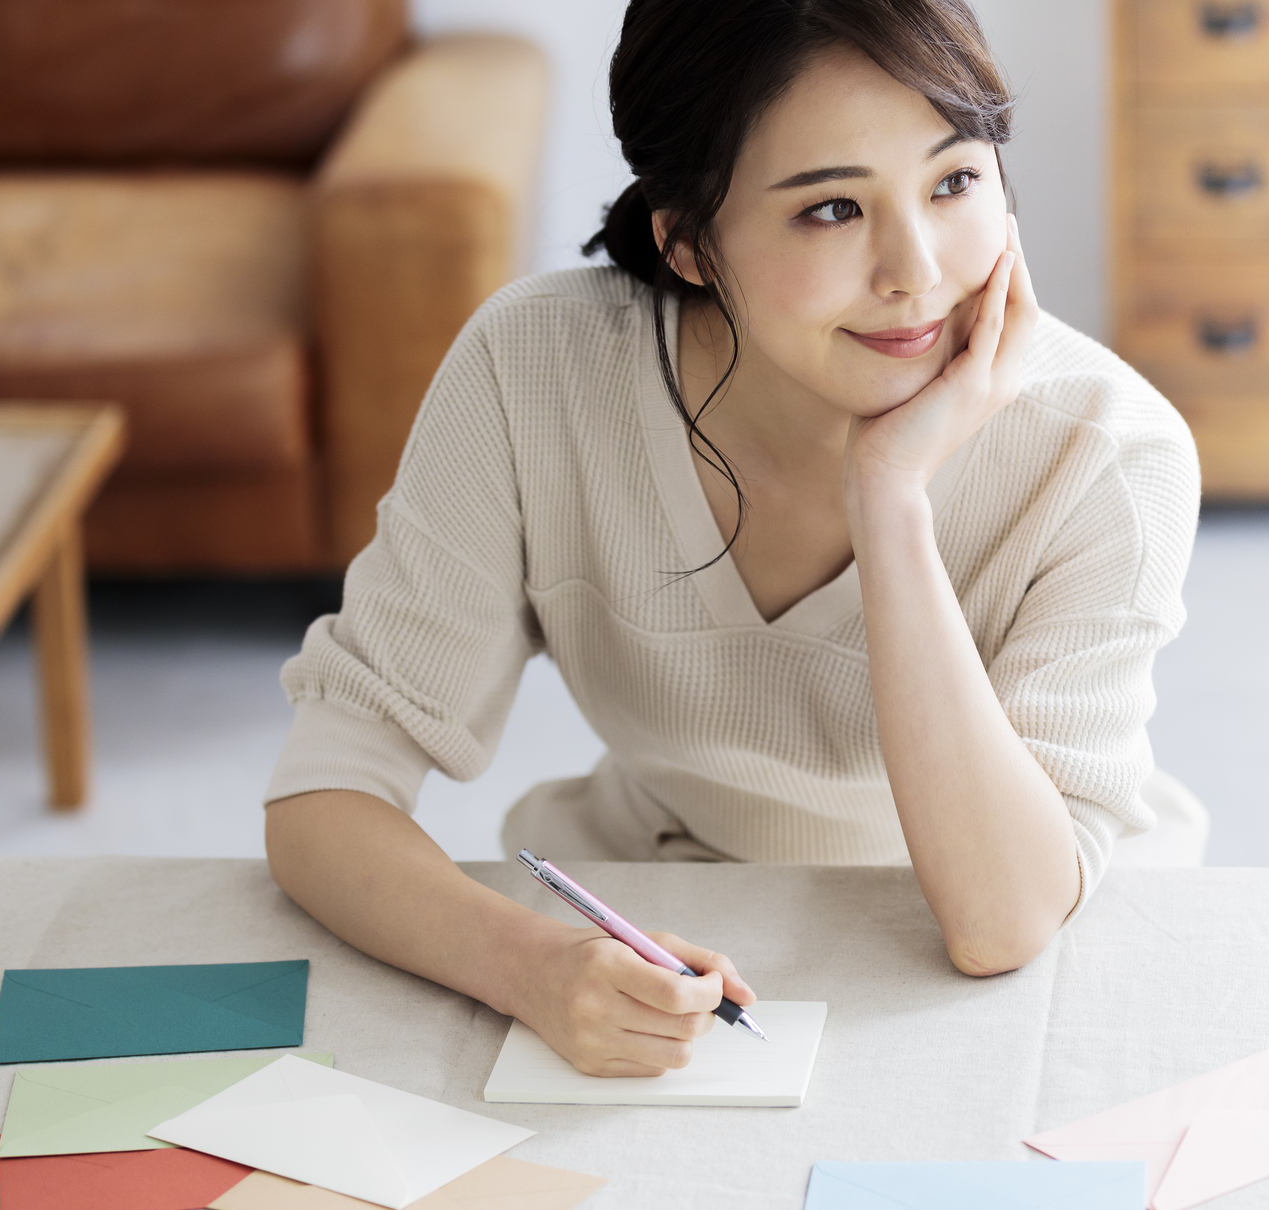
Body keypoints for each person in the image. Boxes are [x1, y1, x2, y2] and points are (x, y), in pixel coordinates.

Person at [263, 0, 1203, 1078]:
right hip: (656, 899)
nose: (915, 271)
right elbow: (323, 796)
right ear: (687, 241)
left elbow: (1001, 923)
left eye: (953, 183)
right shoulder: (534, 375)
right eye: (830, 210)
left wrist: (889, 498)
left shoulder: (1105, 451)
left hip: (1006, 932)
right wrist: (530, 965)